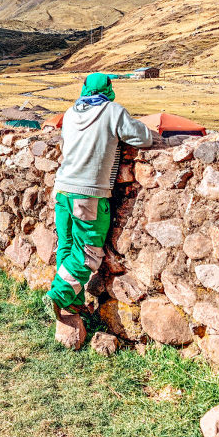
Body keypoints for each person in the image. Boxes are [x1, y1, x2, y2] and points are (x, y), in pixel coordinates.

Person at [43, 73, 154, 324]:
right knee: (88, 252)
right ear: (109, 88)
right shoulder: (112, 111)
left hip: (62, 189)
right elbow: (143, 138)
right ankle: (60, 294)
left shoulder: (71, 113)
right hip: (89, 192)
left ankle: (73, 300)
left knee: (67, 246)